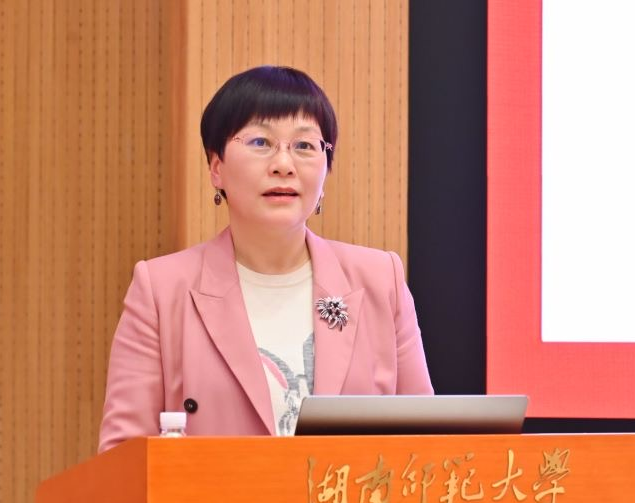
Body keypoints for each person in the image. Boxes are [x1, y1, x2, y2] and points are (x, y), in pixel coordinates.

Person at [98, 66, 432, 452]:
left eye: (304, 145)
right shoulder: (161, 290)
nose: (283, 164)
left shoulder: (379, 280)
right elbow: (122, 458)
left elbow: (428, 445)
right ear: (217, 167)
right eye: (260, 142)